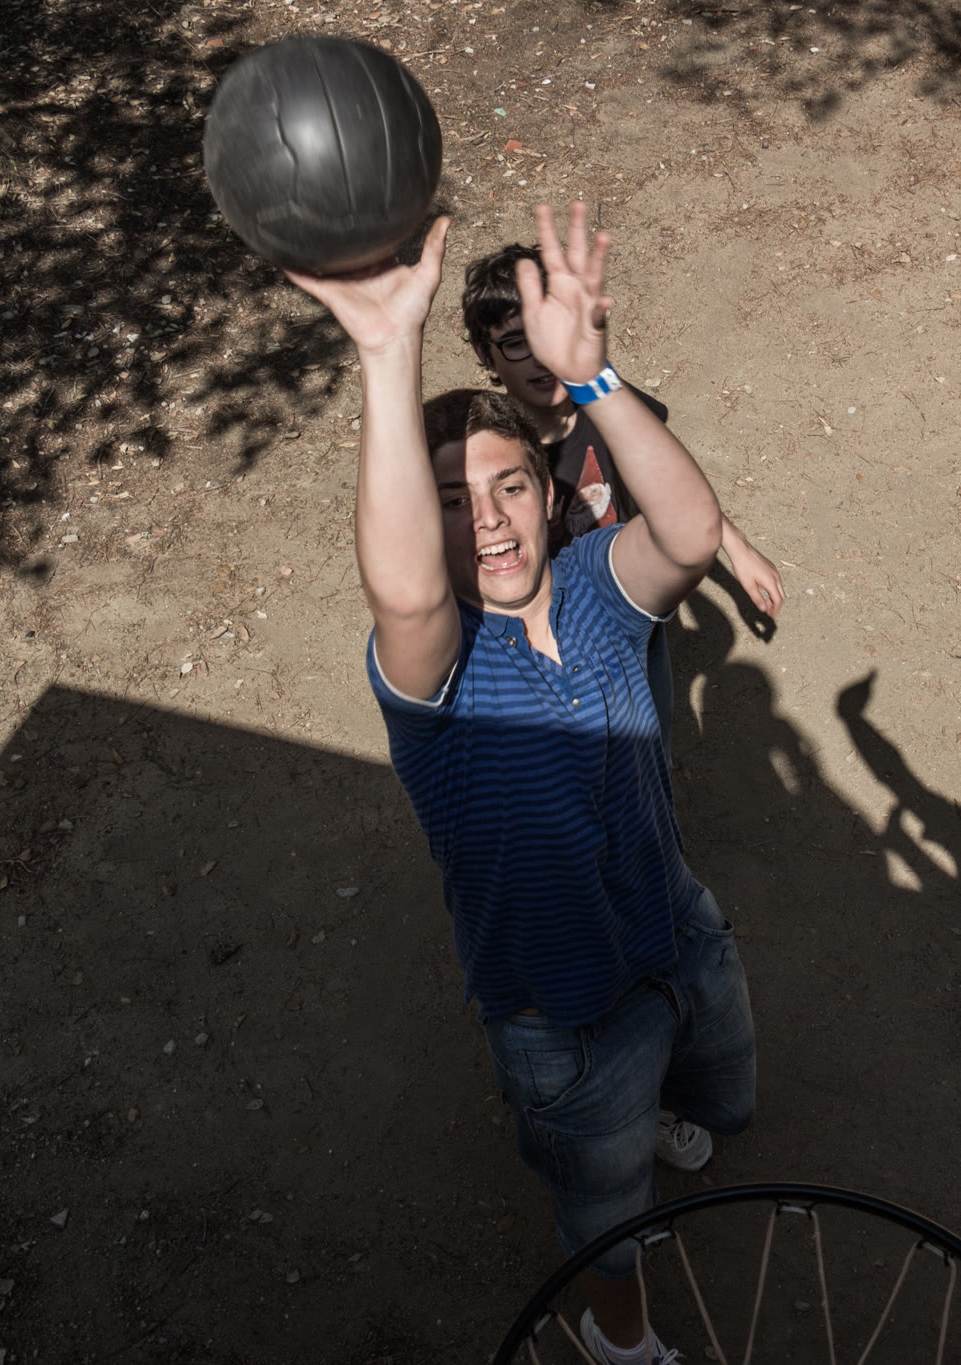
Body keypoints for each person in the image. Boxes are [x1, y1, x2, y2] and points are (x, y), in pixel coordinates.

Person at [284, 204, 754, 1365]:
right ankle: (617, 1337)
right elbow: (405, 591)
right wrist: (386, 350)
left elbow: (689, 534)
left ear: (549, 495)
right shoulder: (439, 673)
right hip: (561, 1013)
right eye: (449, 500)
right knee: (606, 1214)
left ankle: (670, 1102)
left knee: (714, 1083)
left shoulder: (597, 587)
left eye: (505, 487)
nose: (485, 519)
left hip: (672, 931)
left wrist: (592, 380)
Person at [460, 242, 785, 747]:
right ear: (485, 354)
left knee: (646, 729)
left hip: (626, 613)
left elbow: (672, 488)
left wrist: (736, 546)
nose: (543, 357)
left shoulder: (612, 410)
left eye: (551, 333)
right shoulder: (486, 452)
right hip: (533, 627)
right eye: (517, 342)